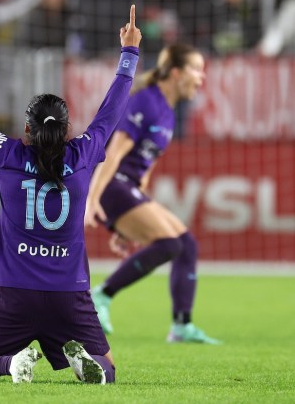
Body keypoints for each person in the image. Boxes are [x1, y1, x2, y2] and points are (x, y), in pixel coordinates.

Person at [0, 3, 141, 384]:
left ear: (27, 129)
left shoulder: (5, 153)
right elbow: (110, 114)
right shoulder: (85, 152)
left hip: (11, 292)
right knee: (108, 369)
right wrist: (129, 54)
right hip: (68, 294)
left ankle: (8, 365)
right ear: (67, 128)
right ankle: (84, 364)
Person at [84, 43, 221, 345]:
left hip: (128, 188)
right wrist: (93, 200)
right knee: (169, 243)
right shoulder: (145, 101)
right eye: (196, 69)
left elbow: (145, 169)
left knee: (186, 244)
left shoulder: (168, 112)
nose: (202, 78)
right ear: (175, 73)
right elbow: (115, 152)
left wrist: (128, 221)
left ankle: (182, 326)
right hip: (113, 184)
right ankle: (102, 295)